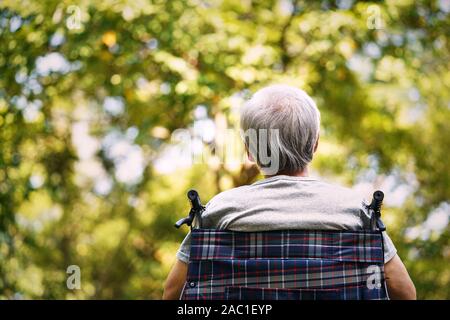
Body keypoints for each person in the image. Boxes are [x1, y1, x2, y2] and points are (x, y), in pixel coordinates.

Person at [163, 84, 416, 300]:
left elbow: (173, 291)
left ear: (250, 150)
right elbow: (404, 292)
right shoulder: (356, 211)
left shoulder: (220, 210)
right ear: (315, 143)